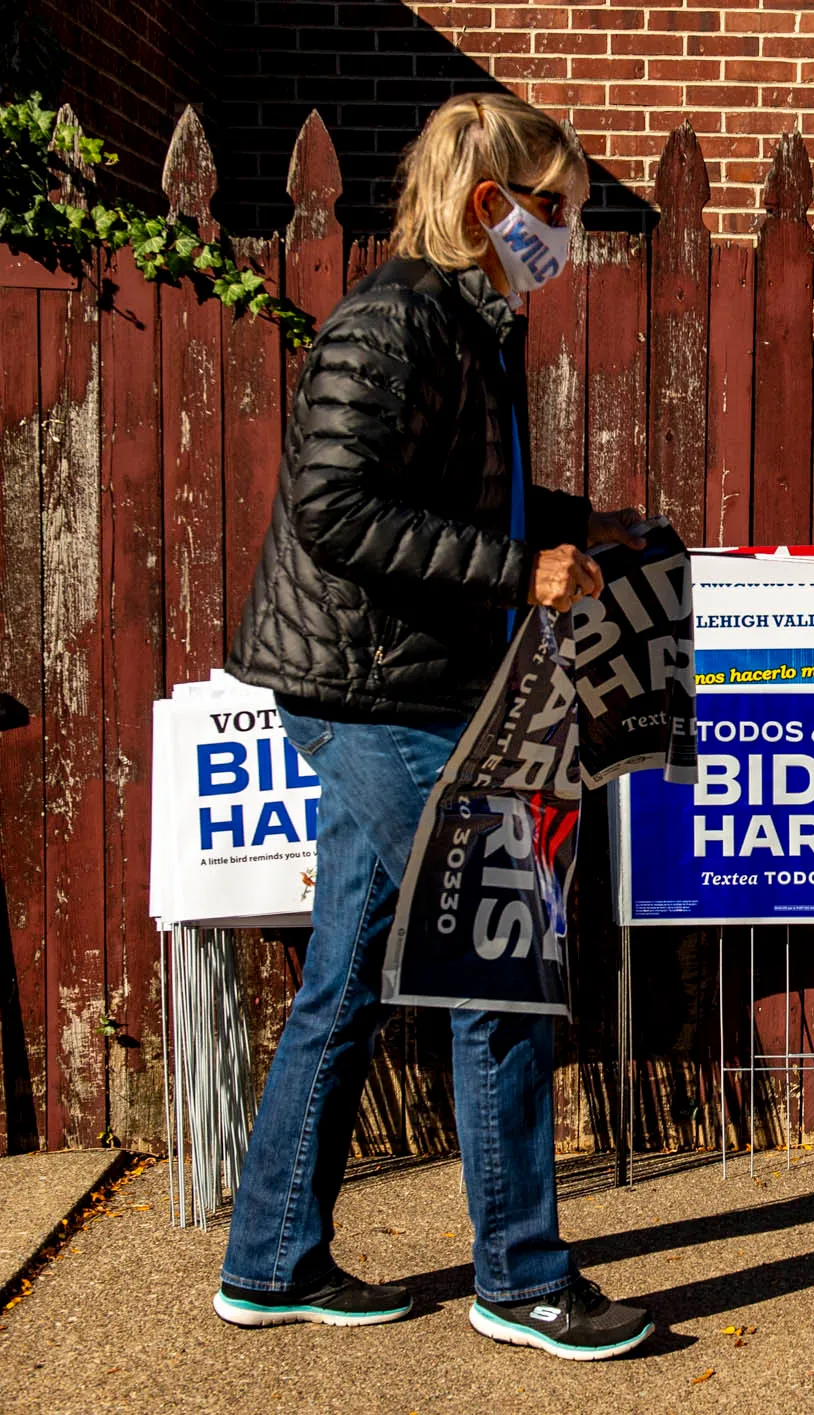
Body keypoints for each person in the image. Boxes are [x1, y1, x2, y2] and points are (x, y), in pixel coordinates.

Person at [215, 91, 654, 1362]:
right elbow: (336, 505)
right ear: (490, 208)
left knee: (350, 973)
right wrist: (519, 572)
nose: (566, 231)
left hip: (403, 686)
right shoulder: (393, 319)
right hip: (368, 694)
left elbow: (447, 484)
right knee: (498, 955)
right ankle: (519, 1275)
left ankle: (271, 1258)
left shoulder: (470, 323)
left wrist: (575, 521)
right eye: (556, 208)